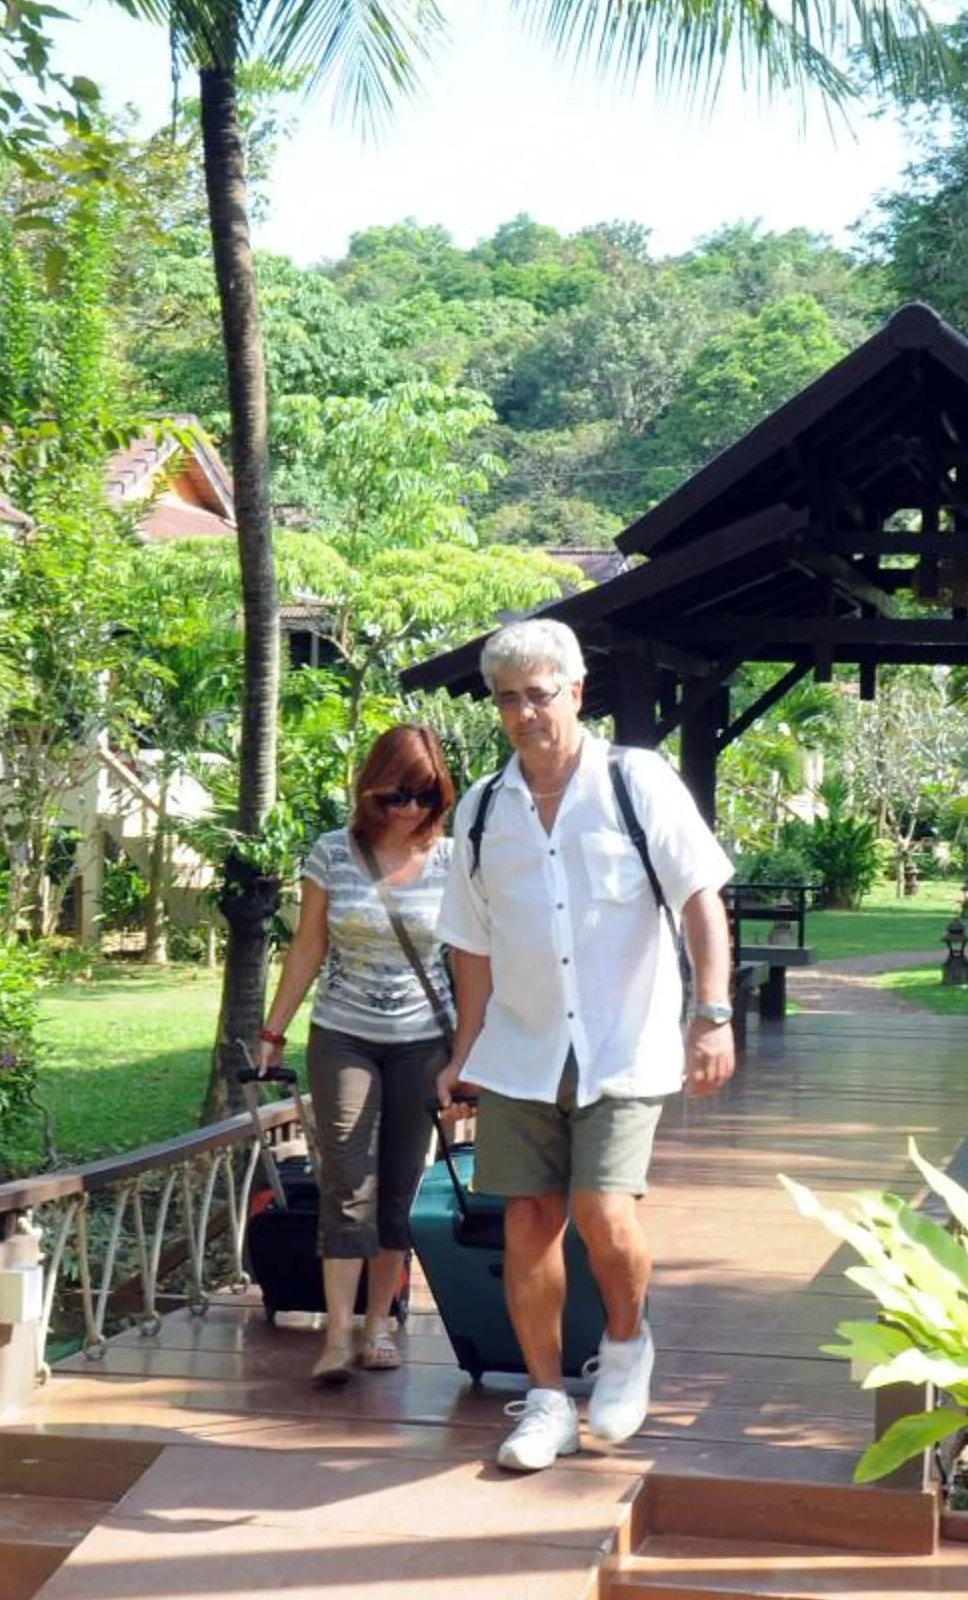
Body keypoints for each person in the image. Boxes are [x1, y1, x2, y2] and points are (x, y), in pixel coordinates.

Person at [435, 619, 737, 1472]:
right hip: (522, 1049)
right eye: (508, 700)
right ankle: (543, 1401)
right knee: (527, 1221)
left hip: (625, 1043)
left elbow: (699, 899)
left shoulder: (637, 783)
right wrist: (462, 1053)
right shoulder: (483, 808)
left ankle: (629, 1341)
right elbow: (471, 945)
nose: (526, 713)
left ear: (575, 691)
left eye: (540, 694)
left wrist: (711, 1013)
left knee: (604, 1213)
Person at [257, 723, 456, 1382]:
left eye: (425, 795)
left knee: (399, 1185)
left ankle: (380, 1324)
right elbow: (308, 946)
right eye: (399, 794)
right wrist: (273, 1029)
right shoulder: (332, 854)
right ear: (372, 790)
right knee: (348, 1178)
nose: (411, 809)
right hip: (344, 1032)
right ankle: (336, 1333)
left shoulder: (454, 861)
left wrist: (476, 1053)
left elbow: (473, 960)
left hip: (423, 1040)